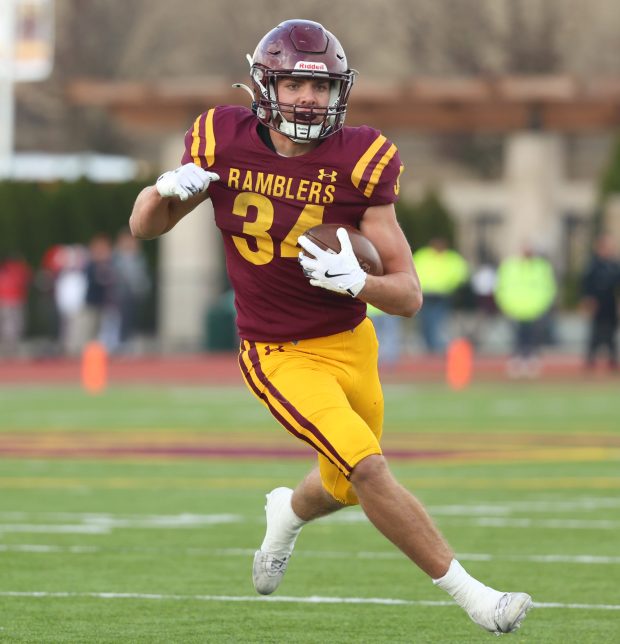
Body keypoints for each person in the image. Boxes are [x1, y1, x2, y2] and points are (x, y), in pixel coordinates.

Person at [129, 19, 531, 635]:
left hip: (351, 341)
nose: (308, 100)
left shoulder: (360, 158)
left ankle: (286, 512)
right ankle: (477, 598)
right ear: (267, 85)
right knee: (368, 469)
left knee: (344, 481)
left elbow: (409, 296)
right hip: (277, 351)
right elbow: (143, 229)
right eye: (294, 84)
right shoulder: (221, 139)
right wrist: (164, 190)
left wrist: (358, 283)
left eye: (321, 88)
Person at [494, 243, 557, 378]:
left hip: (535, 308)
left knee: (532, 337)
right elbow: (502, 286)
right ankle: (517, 361)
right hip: (515, 308)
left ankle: (531, 360)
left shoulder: (541, 267)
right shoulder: (510, 266)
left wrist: (543, 305)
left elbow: (549, 287)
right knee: (517, 337)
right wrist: (506, 305)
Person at [412, 237, 469, 354]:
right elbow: (412, 270)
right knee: (426, 323)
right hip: (426, 295)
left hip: (442, 296)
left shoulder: (452, 258)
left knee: (439, 323)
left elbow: (462, 273)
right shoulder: (423, 256)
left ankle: (436, 349)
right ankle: (430, 348)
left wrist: (451, 286)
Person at [580, 233, 620, 372]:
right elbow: (586, 284)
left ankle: (612, 361)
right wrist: (588, 300)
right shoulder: (593, 265)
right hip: (597, 304)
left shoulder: (614, 265)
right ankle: (590, 362)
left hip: (610, 304)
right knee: (595, 334)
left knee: (611, 334)